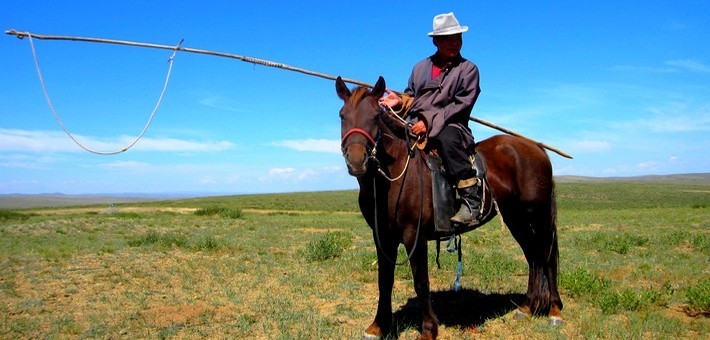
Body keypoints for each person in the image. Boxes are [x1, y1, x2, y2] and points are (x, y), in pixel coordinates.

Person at [378, 12, 482, 225]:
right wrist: (399, 101)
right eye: (448, 38)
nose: (455, 43)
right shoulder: (420, 68)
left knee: (447, 139)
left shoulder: (468, 69)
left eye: (458, 38)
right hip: (415, 122)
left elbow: (461, 105)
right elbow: (412, 95)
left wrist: (428, 121)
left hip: (452, 123)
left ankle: (471, 201)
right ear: (436, 41)